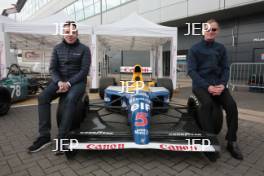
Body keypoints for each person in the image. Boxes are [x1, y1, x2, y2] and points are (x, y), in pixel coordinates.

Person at [28, 21, 91, 153]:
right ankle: (44, 136)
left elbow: (84, 71)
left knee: (70, 98)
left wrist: (68, 84)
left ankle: (62, 137)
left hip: (77, 83)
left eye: (73, 32)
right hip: (59, 81)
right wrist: (58, 82)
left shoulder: (85, 49)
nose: (70, 34)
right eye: (67, 32)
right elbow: (53, 69)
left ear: (77, 33)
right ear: (63, 33)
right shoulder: (57, 48)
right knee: (43, 97)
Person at [187, 19, 243, 160]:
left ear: (217, 32)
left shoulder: (221, 48)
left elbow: (225, 68)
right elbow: (192, 71)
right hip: (201, 86)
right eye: (208, 29)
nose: (211, 31)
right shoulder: (194, 49)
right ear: (203, 30)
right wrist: (208, 86)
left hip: (219, 85)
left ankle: (231, 141)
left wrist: (222, 85)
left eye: (214, 29)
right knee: (207, 104)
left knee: (231, 105)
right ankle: (209, 141)